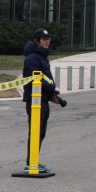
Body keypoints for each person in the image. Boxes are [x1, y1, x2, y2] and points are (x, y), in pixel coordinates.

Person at [21, 28, 63, 173]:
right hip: (35, 100)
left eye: (48, 39)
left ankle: (33, 161)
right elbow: (35, 79)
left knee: (40, 132)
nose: (47, 41)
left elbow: (44, 78)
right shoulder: (32, 58)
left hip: (42, 99)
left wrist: (52, 96)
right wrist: (52, 88)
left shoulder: (41, 56)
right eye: (44, 39)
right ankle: (31, 163)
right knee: (36, 131)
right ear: (37, 41)